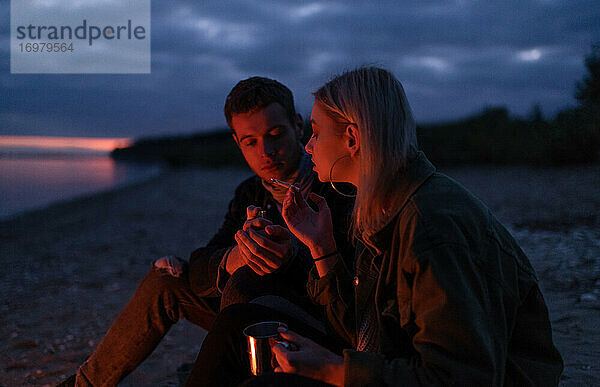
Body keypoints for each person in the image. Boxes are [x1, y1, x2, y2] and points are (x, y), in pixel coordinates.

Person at [186, 67, 563, 386]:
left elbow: (463, 376)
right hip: (392, 360)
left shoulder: (431, 225)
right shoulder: (382, 202)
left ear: (351, 138)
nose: (308, 148)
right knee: (238, 324)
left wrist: (334, 370)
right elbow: (361, 331)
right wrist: (322, 246)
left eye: (315, 133)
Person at [61, 77, 354, 386]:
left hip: (313, 327)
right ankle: (85, 384)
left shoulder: (333, 186)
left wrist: (290, 257)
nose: (265, 151)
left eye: (275, 134)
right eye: (250, 141)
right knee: (167, 279)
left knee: (243, 285)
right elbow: (202, 268)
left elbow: (350, 296)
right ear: (237, 143)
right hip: (244, 315)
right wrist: (237, 255)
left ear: (298, 125)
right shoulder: (251, 193)